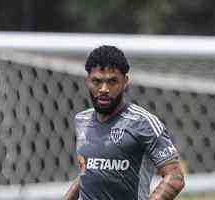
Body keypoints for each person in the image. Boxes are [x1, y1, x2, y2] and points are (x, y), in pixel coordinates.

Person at [64, 45, 185, 200]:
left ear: (125, 82)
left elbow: (175, 177)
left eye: (112, 81)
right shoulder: (82, 120)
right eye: (97, 81)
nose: (103, 89)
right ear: (87, 81)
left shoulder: (143, 123)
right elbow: (87, 173)